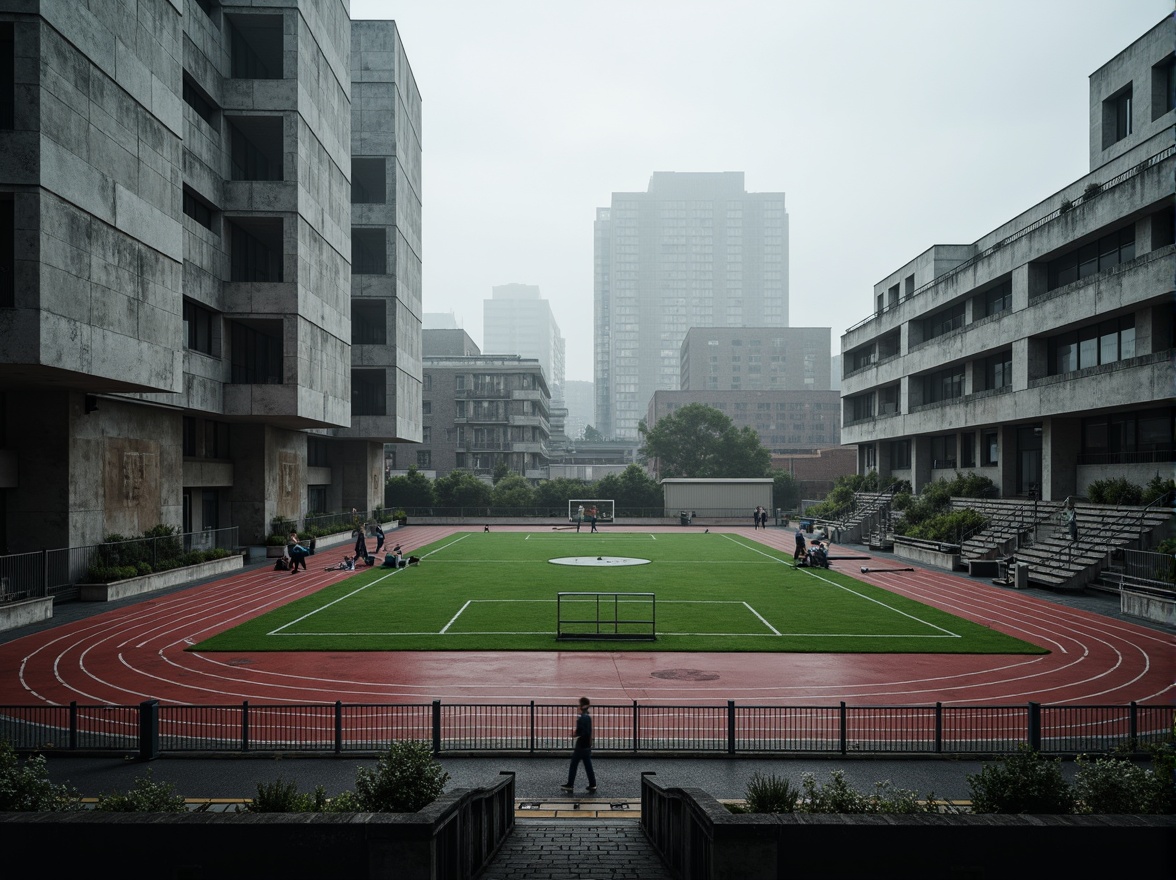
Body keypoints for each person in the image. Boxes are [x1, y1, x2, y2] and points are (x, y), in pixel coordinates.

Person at [560, 696, 596, 793]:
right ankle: (593, 784)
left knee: (573, 765)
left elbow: (582, 731)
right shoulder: (588, 717)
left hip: (581, 746)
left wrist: (574, 734)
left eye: (579, 705)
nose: (577, 707)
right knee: (588, 766)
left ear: (582, 706)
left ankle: (570, 784)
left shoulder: (581, 718)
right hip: (587, 745)